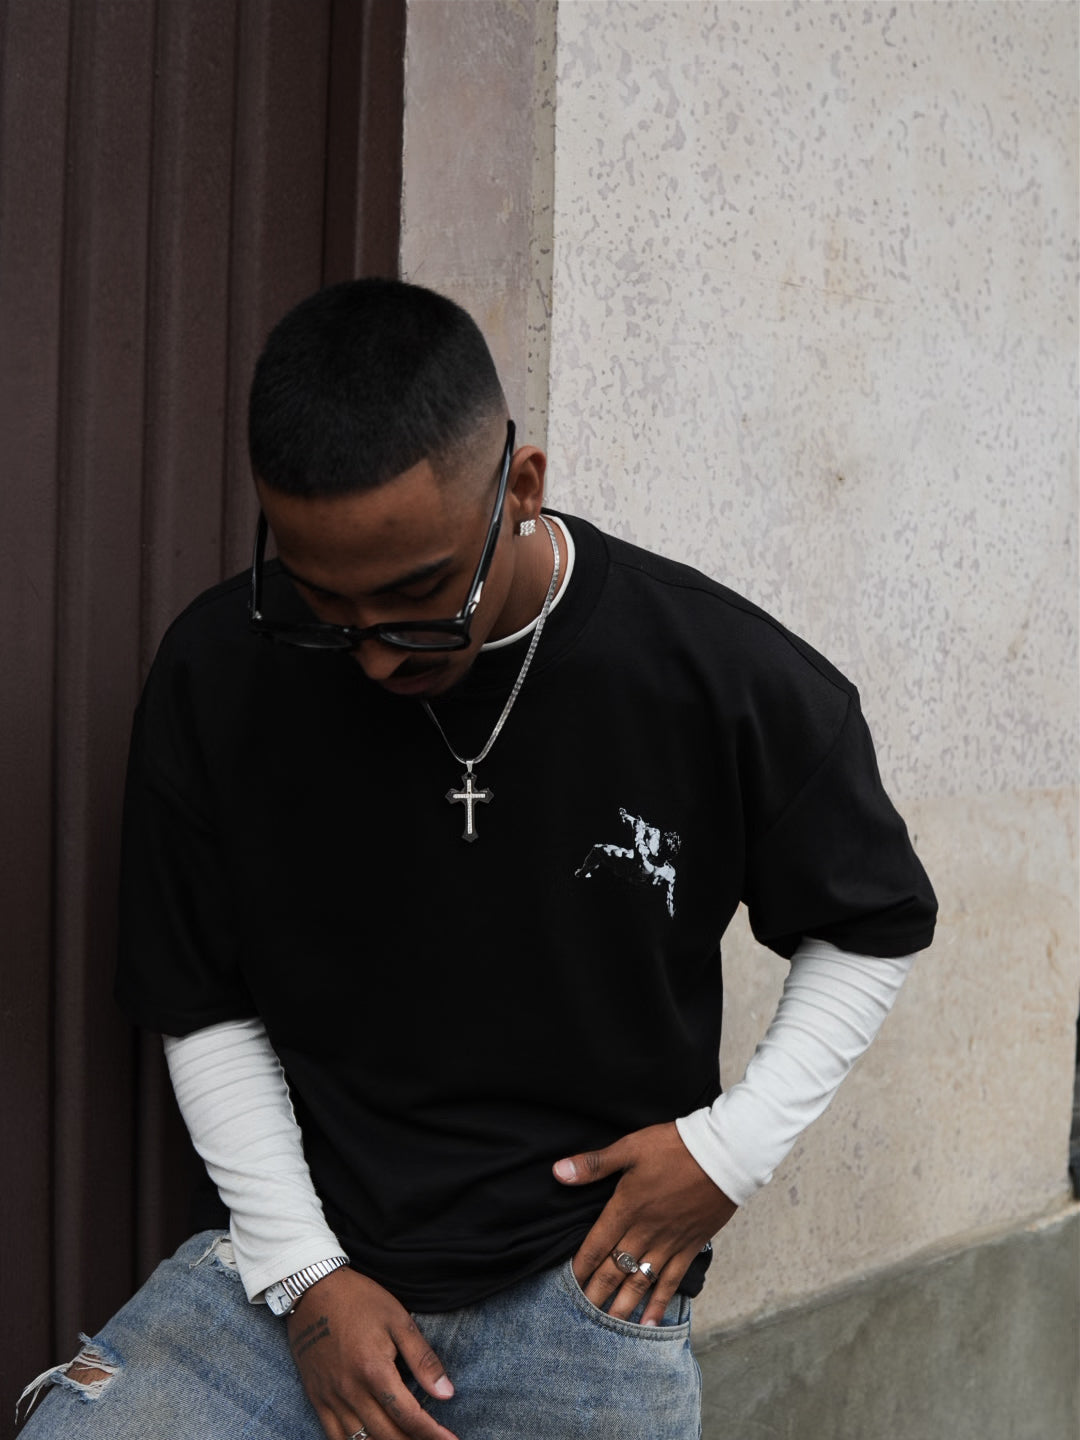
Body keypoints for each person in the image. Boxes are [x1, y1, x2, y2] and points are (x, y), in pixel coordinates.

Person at [19, 279, 936, 1440]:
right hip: (289, 1271)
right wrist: (303, 1277)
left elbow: (868, 922)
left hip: (582, 1290)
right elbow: (199, 1000)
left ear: (523, 486)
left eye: (417, 597)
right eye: (322, 601)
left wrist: (729, 1152)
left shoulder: (711, 673)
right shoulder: (221, 668)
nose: (373, 657)